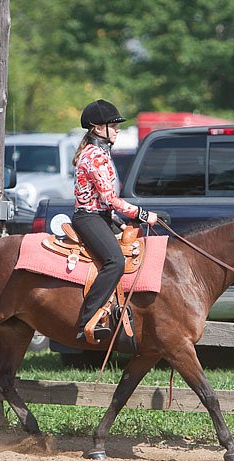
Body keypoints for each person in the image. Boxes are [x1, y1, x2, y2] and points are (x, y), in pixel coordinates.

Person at [71, 99, 158, 341]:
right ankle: (87, 320)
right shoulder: (95, 157)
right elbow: (110, 199)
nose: (118, 129)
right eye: (113, 125)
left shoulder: (99, 153)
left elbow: (106, 203)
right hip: (89, 218)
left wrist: (121, 222)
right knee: (115, 261)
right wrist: (142, 214)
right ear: (97, 128)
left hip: (101, 216)